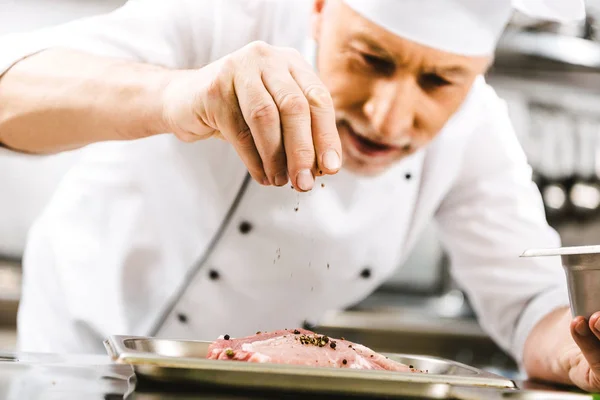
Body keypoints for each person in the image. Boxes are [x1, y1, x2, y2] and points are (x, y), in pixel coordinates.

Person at [1, 0, 598, 391]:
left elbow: (533, 308)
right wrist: (177, 95)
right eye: (370, 58)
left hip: (254, 385)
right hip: (72, 363)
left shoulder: (478, 130)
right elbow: (9, 93)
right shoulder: (230, 19)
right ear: (317, 10)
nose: (388, 119)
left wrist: (581, 351)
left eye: (440, 80)